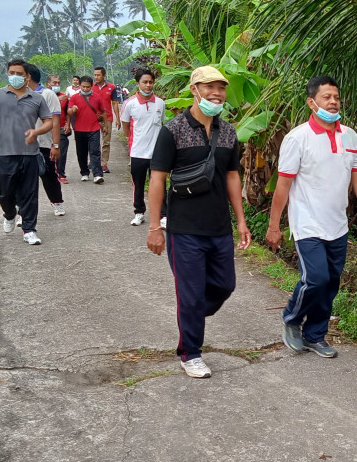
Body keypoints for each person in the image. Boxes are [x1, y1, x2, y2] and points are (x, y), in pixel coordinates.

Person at [147, 65, 252, 378]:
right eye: (209, 87)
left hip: (219, 227)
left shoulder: (229, 132)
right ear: (194, 90)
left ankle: (190, 311)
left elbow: (233, 176)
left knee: (225, 285)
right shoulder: (173, 130)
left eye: (220, 88)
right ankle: (190, 352)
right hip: (184, 229)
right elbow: (157, 180)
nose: (216, 93)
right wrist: (155, 226)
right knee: (191, 295)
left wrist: (241, 221)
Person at [266, 76, 357, 358]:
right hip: (307, 223)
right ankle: (292, 320)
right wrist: (274, 225)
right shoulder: (297, 138)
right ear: (312, 102)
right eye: (327, 97)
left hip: (337, 225)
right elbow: (283, 185)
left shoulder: (350, 136)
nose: (333, 102)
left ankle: (315, 335)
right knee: (315, 278)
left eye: (336, 97)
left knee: (331, 283)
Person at [0, 59, 52, 245]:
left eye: (20, 74)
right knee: (5, 192)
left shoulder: (37, 98)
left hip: (29, 154)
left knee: (29, 193)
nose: (16, 76)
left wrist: (36, 132)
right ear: (7, 73)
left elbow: (49, 122)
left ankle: (29, 229)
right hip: (5, 152)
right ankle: (10, 213)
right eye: (12, 72)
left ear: (27, 77)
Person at [121, 67, 165, 226]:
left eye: (151, 82)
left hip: (157, 153)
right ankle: (139, 212)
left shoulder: (160, 103)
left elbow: (161, 124)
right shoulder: (129, 104)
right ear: (137, 83)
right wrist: (132, 141)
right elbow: (126, 126)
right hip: (137, 152)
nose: (148, 85)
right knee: (138, 185)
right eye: (145, 82)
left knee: (159, 185)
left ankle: (163, 215)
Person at [24, 63, 65, 217]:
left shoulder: (47, 95)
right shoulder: (19, 94)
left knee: (49, 175)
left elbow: (55, 121)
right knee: (25, 179)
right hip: (25, 144)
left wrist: (55, 144)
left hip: (44, 143)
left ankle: (57, 202)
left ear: (28, 76)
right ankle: (24, 212)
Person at [67, 75, 108, 184]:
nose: (85, 89)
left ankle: (97, 174)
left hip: (94, 128)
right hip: (79, 129)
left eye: (88, 87)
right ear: (80, 86)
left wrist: (106, 127)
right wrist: (73, 110)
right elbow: (69, 111)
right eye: (83, 87)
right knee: (81, 152)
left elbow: (103, 112)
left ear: (91, 86)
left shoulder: (97, 97)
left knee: (95, 151)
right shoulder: (74, 98)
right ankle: (84, 172)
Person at [92, 66, 122, 174]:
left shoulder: (112, 87)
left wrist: (118, 119)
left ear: (104, 75)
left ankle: (104, 164)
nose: (96, 77)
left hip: (107, 118)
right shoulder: (90, 86)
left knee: (106, 142)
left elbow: (114, 103)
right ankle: (93, 162)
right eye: (95, 75)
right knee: (93, 142)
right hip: (93, 118)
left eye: (98, 75)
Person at [52, 76, 72, 183]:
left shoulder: (65, 97)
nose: (56, 85)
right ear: (48, 84)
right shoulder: (44, 96)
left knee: (62, 151)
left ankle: (61, 173)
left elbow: (67, 112)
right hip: (47, 129)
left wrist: (68, 124)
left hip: (61, 127)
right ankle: (50, 173)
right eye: (54, 83)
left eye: (58, 83)